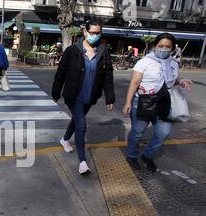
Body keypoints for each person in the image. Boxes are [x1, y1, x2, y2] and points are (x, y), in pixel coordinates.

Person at [52, 20, 115, 175]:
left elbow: (108, 76)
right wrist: (56, 92)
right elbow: (61, 73)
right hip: (73, 95)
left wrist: (110, 97)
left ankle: (65, 139)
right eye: (92, 32)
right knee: (81, 125)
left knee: (76, 119)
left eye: (98, 33)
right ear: (85, 32)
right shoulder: (72, 50)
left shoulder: (103, 51)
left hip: (90, 96)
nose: (95, 35)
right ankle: (82, 162)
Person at [123, 33, 193, 171]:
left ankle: (147, 156)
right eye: (161, 46)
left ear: (172, 48)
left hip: (164, 103)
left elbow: (170, 81)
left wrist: (180, 81)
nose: (164, 49)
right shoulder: (145, 61)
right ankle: (131, 156)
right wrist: (128, 102)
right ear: (155, 46)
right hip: (143, 102)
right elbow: (135, 82)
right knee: (138, 132)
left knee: (163, 132)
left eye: (168, 46)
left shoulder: (174, 62)